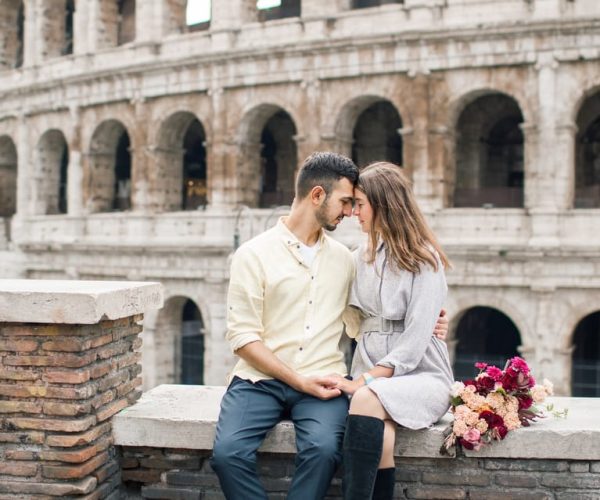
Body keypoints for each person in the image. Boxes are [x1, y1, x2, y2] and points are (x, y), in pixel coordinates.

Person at [210, 152, 448, 500]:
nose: (351, 213)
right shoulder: (254, 254)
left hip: (331, 377)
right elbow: (243, 336)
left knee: (324, 451)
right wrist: (304, 380)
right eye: (347, 202)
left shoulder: (344, 259)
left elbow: (375, 314)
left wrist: (433, 320)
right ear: (317, 195)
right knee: (227, 454)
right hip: (258, 380)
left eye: (358, 204)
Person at [331, 162, 454, 500]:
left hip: (422, 375)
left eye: (360, 204)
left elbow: (414, 345)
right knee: (382, 441)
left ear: (383, 204)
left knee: (367, 398)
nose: (355, 213)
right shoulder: (360, 256)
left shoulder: (424, 259)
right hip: (371, 369)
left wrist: (364, 381)